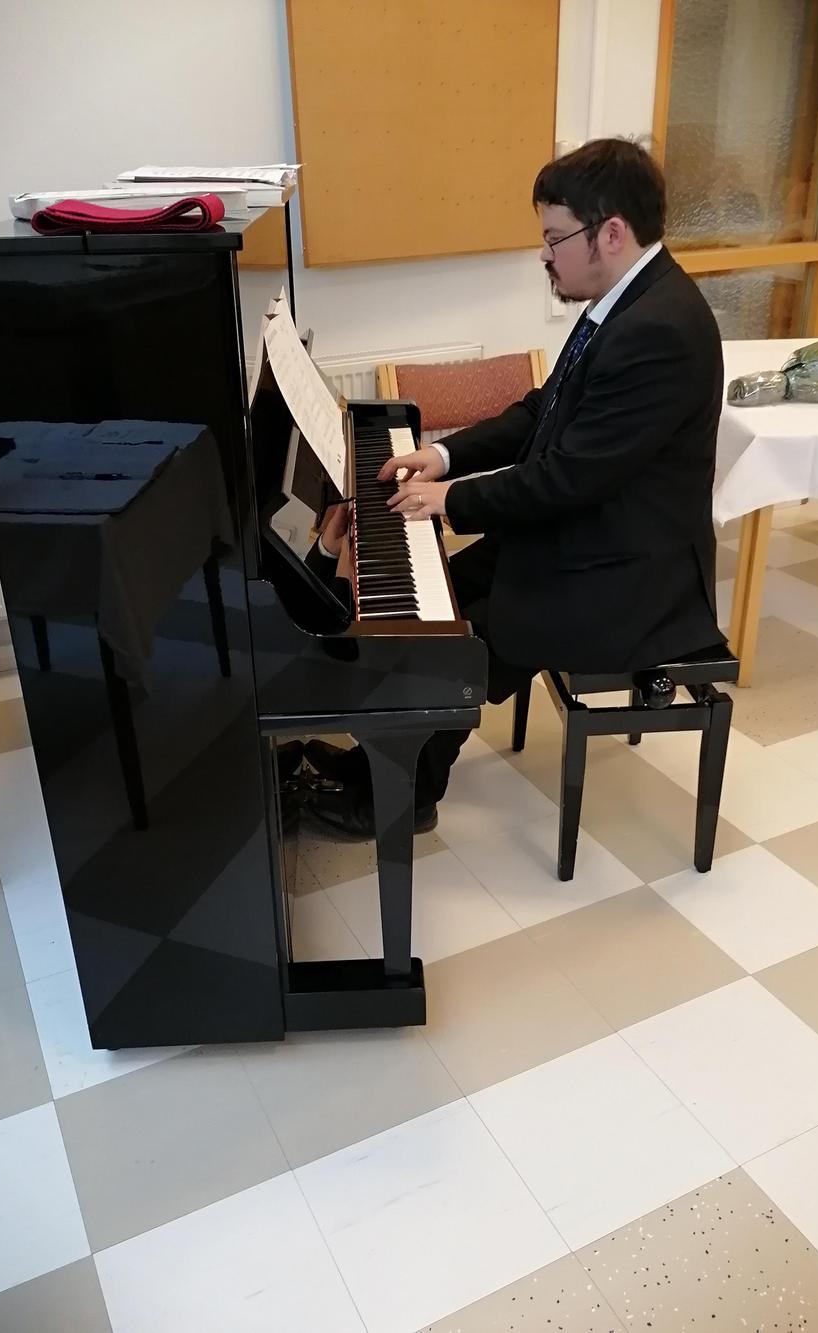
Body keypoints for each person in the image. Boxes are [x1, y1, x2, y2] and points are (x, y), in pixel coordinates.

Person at [304, 137, 725, 838]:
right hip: (584, 537)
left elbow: (571, 476)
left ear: (610, 233)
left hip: (629, 577)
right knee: (428, 610)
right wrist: (443, 457)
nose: (543, 255)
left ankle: (402, 797)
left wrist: (451, 502)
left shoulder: (662, 330)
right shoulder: (623, 302)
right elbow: (540, 411)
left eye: (554, 238)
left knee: (459, 640)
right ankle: (384, 762)